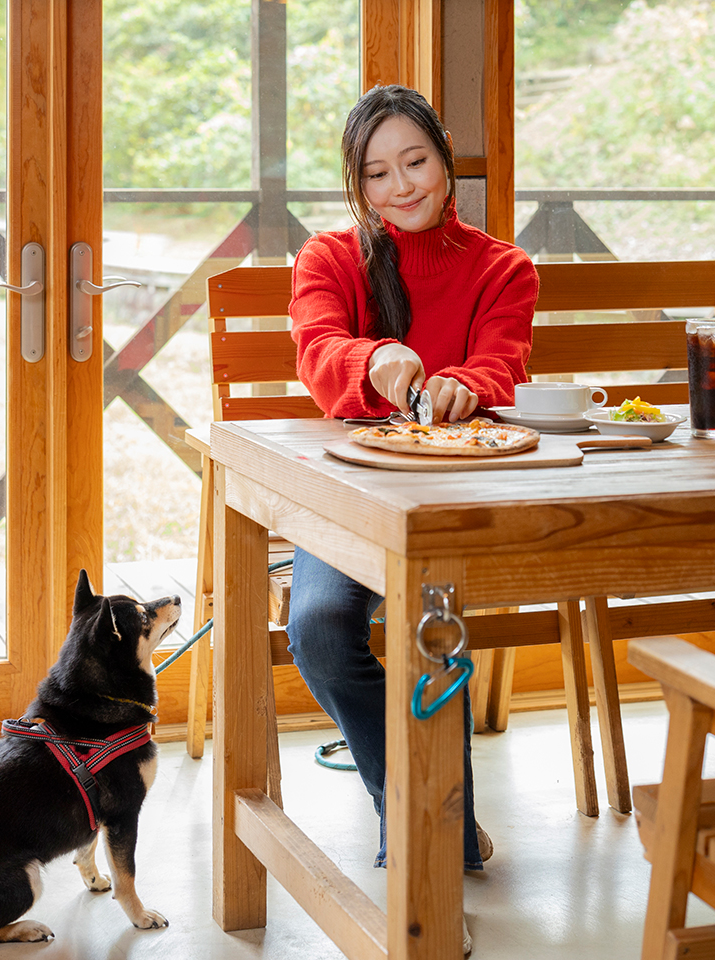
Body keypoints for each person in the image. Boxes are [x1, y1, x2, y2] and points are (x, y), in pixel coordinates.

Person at [285, 84, 539, 887]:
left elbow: (503, 364)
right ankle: (428, 814)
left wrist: (463, 383)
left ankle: (424, 839)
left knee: (435, 618)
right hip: (351, 491)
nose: (402, 187)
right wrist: (375, 360)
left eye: (416, 162)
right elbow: (320, 352)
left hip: (459, 495)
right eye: (378, 173)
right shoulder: (329, 259)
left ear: (445, 154)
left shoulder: (505, 267)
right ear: (357, 187)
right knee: (320, 629)